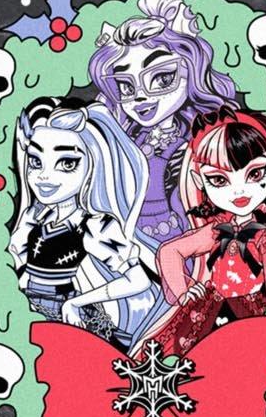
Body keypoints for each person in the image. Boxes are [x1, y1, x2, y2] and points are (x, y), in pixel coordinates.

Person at [138, 106, 266, 360]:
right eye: (219, 180)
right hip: (211, 310)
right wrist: (183, 291)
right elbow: (170, 251)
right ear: (199, 181)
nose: (239, 191)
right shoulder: (217, 230)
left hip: (250, 313)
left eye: (254, 174)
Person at [9, 100, 165, 348]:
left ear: (93, 165)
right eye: (36, 161)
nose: (44, 176)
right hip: (27, 311)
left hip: (64, 317)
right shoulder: (35, 216)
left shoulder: (93, 225)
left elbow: (138, 280)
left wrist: (77, 302)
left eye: (67, 163)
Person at [87, 0, 238, 244]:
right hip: (124, 245)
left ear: (191, 70)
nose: (140, 96)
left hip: (182, 248)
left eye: (161, 78)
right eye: (126, 85)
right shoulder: (127, 135)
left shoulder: (202, 141)